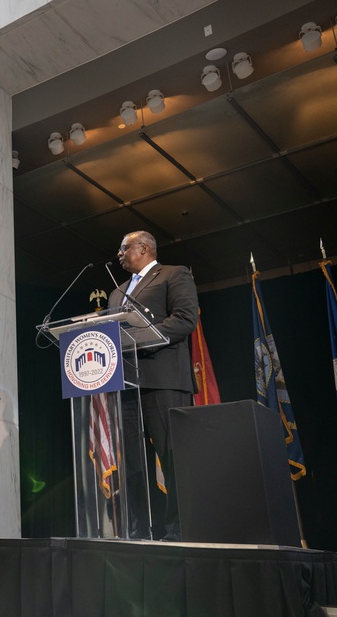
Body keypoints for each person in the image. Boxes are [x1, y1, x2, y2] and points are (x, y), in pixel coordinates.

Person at [111, 230, 198, 542]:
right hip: (127, 386)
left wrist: (142, 339)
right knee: (133, 464)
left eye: (124, 248)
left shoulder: (173, 275)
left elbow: (186, 319)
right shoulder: (117, 292)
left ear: (143, 247)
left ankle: (179, 530)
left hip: (165, 381)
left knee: (173, 457)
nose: (119, 255)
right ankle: (140, 530)